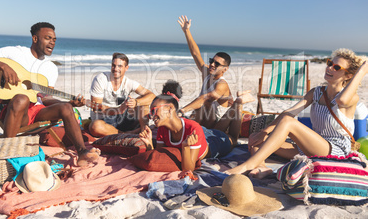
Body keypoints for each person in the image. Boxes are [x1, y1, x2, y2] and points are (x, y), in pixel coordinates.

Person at [0, 22, 100, 167]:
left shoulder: (50, 68)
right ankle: (7, 152)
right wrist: (3, 66)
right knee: (22, 98)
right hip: (17, 112)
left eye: (54, 39)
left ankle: (82, 153)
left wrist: (69, 103)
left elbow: (45, 98)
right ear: (35, 38)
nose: (52, 42)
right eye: (48, 38)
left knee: (65, 108)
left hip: (38, 112)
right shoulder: (15, 52)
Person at [227, 48, 367, 178]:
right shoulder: (316, 92)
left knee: (289, 122)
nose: (329, 68)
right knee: (257, 138)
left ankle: (248, 164)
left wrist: (361, 72)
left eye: (336, 67)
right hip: (312, 146)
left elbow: (341, 100)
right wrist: (263, 132)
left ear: (348, 75)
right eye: (330, 63)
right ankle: (262, 167)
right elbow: (289, 112)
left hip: (336, 150)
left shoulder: (351, 98)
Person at [177, 15, 253, 146]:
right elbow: (196, 54)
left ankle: (239, 101)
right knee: (202, 107)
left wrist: (182, 111)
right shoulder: (207, 74)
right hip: (205, 121)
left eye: (217, 64)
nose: (212, 65)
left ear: (225, 69)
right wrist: (186, 31)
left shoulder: (222, 84)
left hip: (220, 125)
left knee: (205, 103)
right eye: (212, 61)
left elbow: (207, 98)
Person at [139, 80, 233, 171]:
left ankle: (237, 105)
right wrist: (149, 144)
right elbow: (158, 157)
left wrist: (185, 147)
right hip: (199, 132)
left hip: (214, 143)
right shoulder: (163, 129)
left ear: (170, 108)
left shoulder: (192, 128)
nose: (151, 116)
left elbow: (188, 169)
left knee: (233, 140)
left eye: (153, 111)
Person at [89, 52, 155, 137]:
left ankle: (144, 132)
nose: (116, 69)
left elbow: (151, 95)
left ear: (126, 68)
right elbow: (96, 108)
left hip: (123, 119)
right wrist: (118, 110)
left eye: (120, 66)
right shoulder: (100, 79)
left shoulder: (129, 83)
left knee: (143, 104)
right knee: (95, 127)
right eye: (113, 65)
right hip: (104, 121)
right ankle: (126, 134)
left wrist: (136, 102)